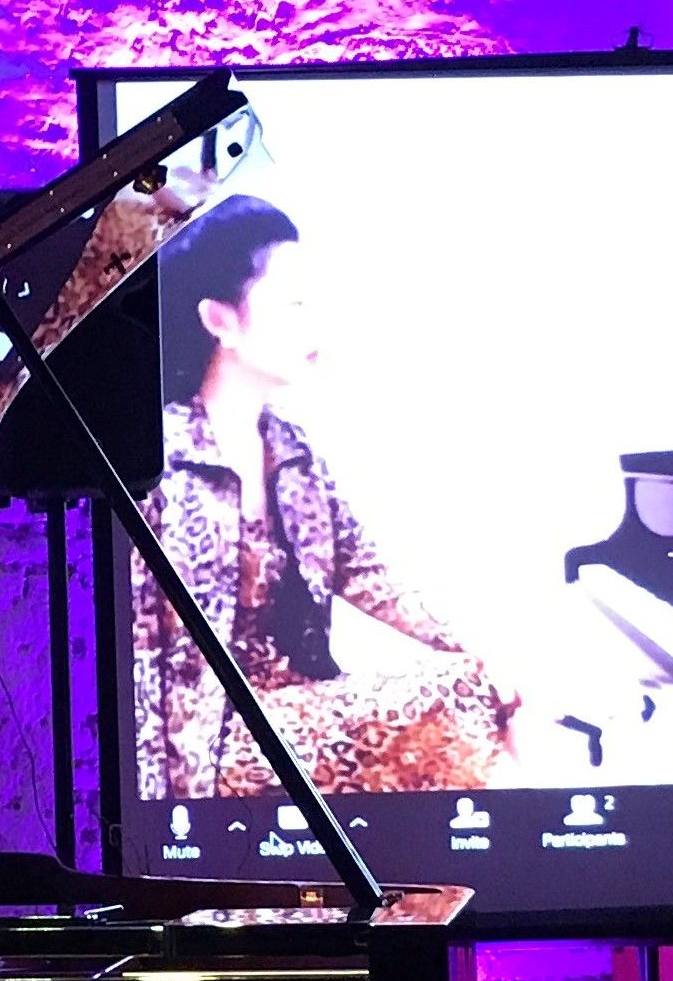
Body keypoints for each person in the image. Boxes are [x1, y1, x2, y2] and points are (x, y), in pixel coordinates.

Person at [132, 195, 515, 804]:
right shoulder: (159, 458)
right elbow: (138, 651)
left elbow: (372, 578)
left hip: (298, 701)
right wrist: (152, 809)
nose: (315, 326)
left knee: (475, 681)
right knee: (460, 696)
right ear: (220, 321)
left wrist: (484, 654)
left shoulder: (291, 449)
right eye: (295, 304)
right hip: (206, 739)